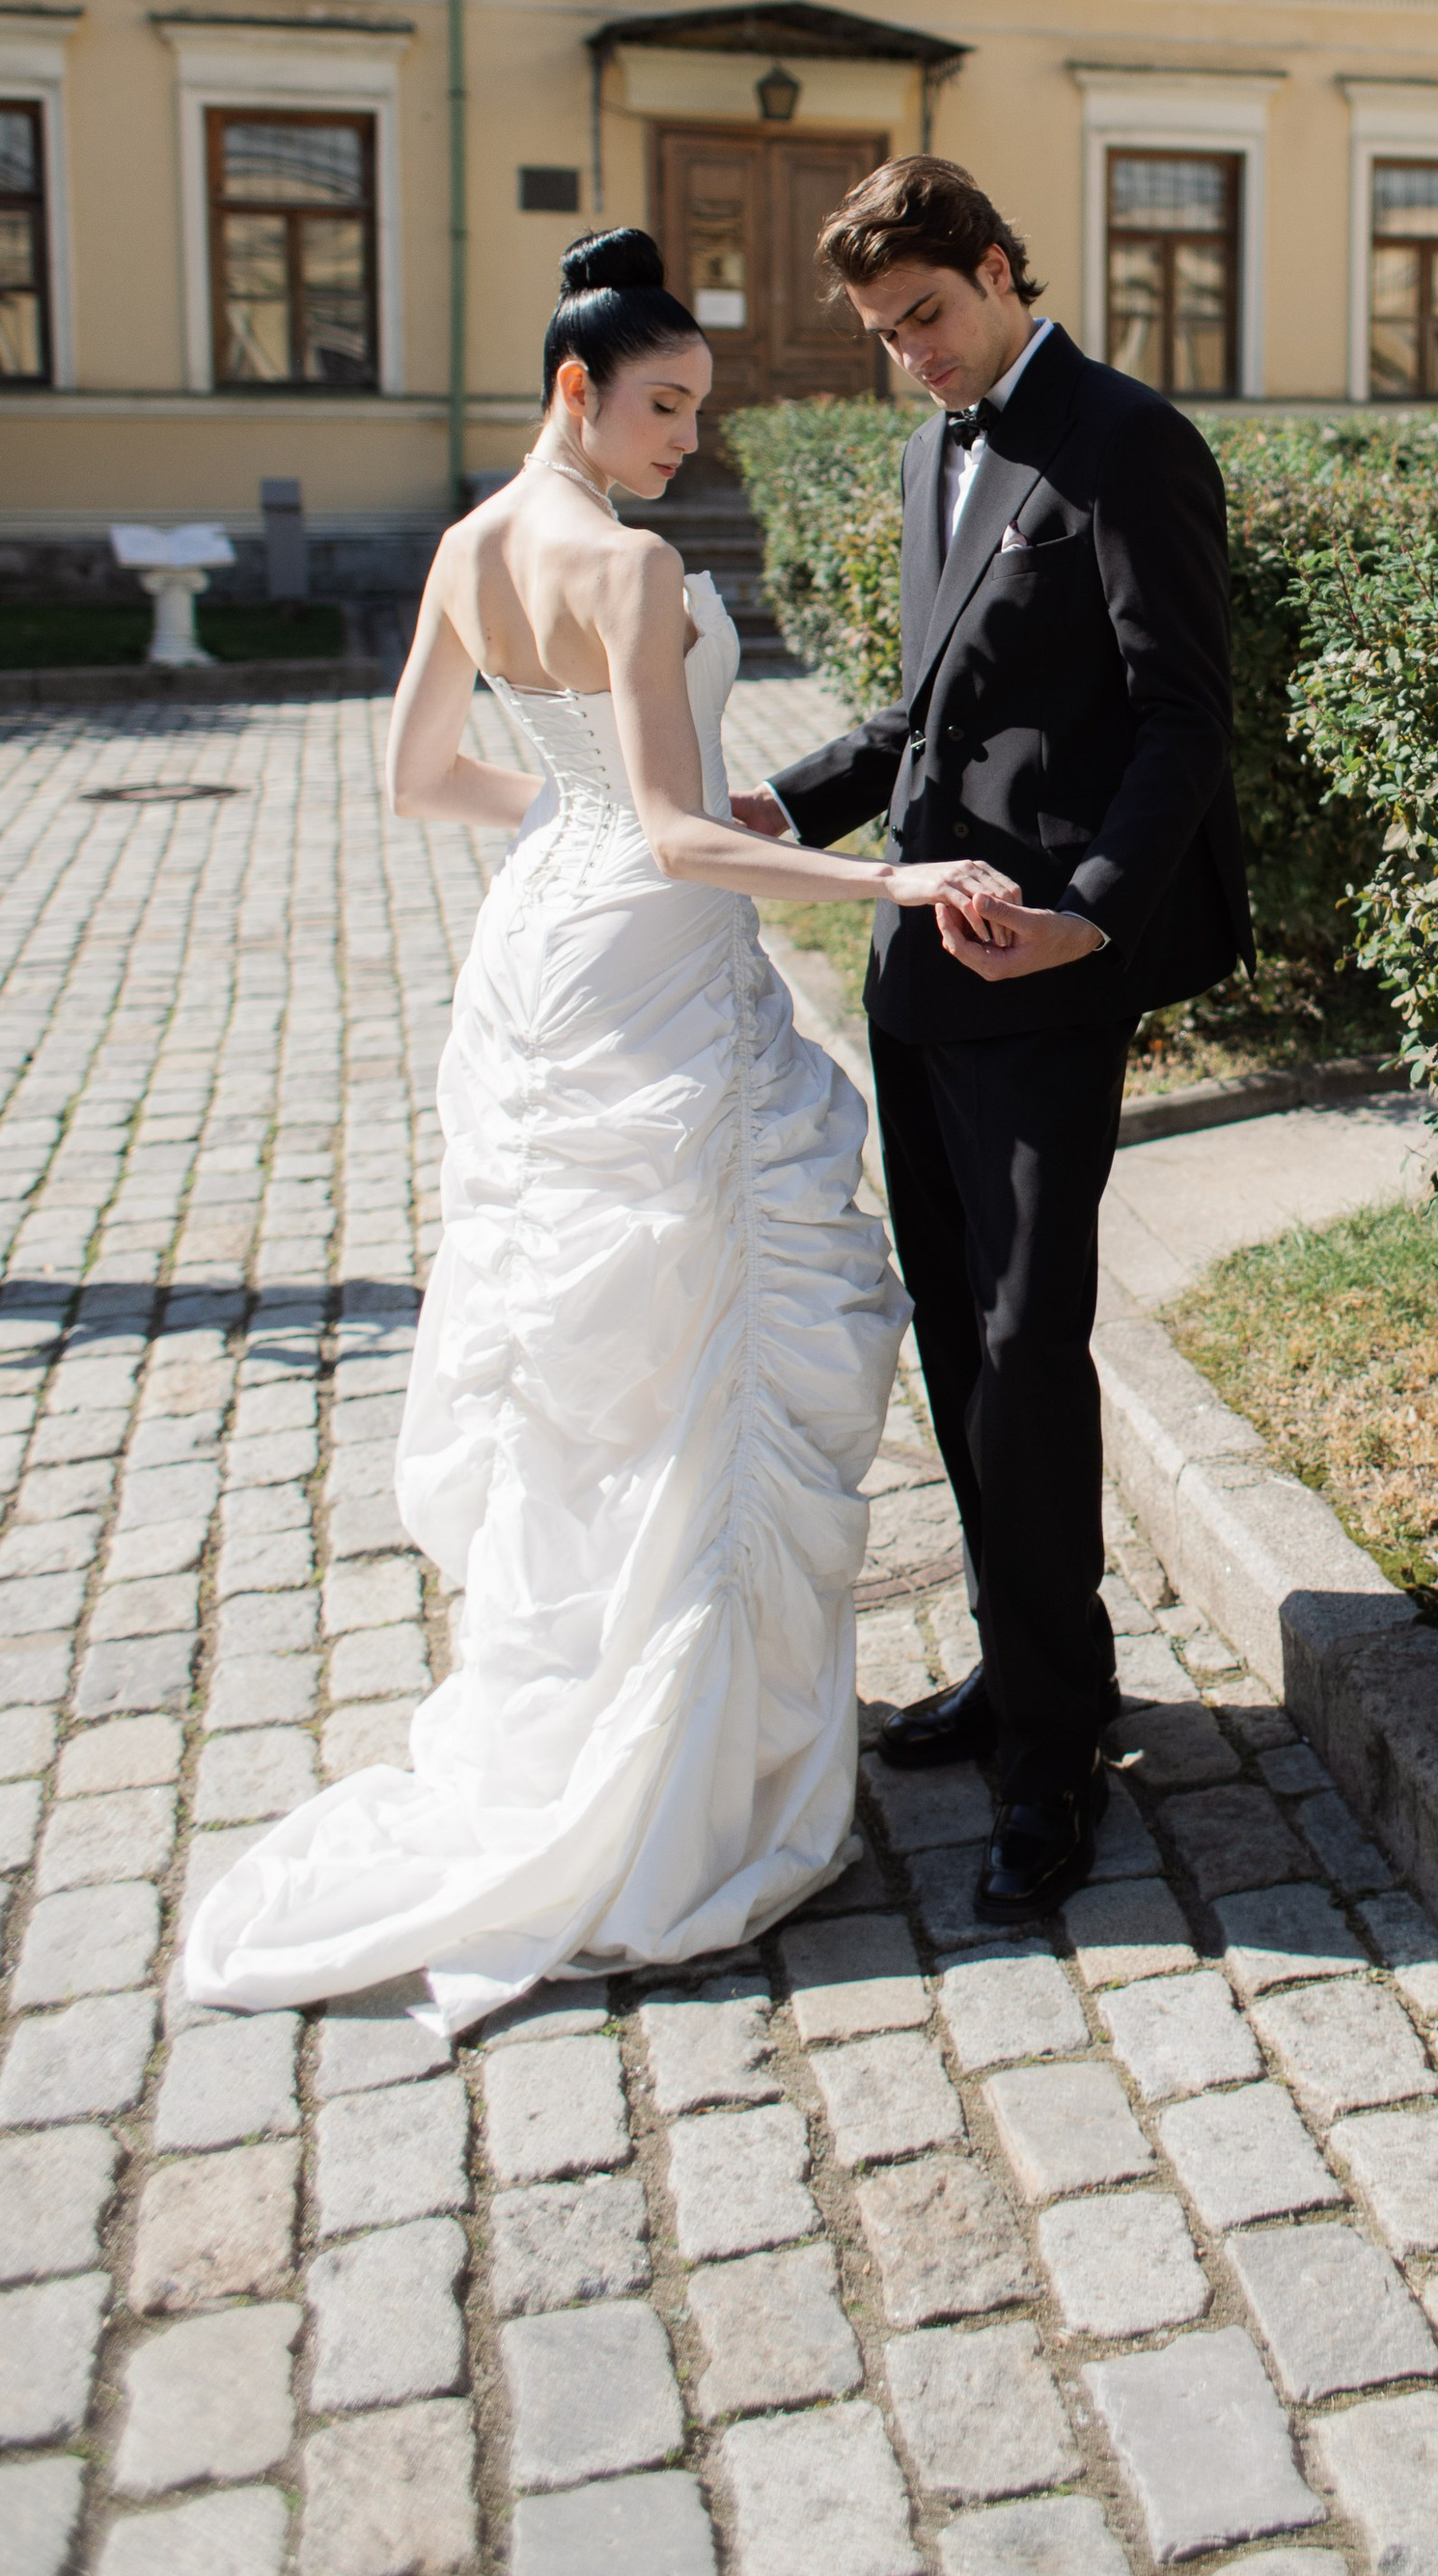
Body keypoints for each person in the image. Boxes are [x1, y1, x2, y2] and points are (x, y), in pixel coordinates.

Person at [184, 231, 1017, 2036]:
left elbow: (427, 779)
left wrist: (578, 816)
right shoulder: (630, 572)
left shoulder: (470, 550)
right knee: (690, 1353)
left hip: (544, 958)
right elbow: (684, 841)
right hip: (648, 966)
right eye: (661, 408)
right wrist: (888, 868)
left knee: (595, 1363)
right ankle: (682, 1783)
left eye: (697, 415)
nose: (684, 447)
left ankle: (612, 1713)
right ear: (579, 388)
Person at [746, 156, 1250, 1922]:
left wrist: (1092, 908)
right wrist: (777, 808)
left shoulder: (1125, 443)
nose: (916, 362)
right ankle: (1036, 1668)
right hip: (922, 971)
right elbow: (916, 715)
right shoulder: (925, 454)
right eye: (887, 339)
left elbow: (1188, 718)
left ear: (999, 267)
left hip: (1051, 974)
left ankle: (1054, 1757)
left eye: (930, 319)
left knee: (1033, 1344)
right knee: (960, 1344)